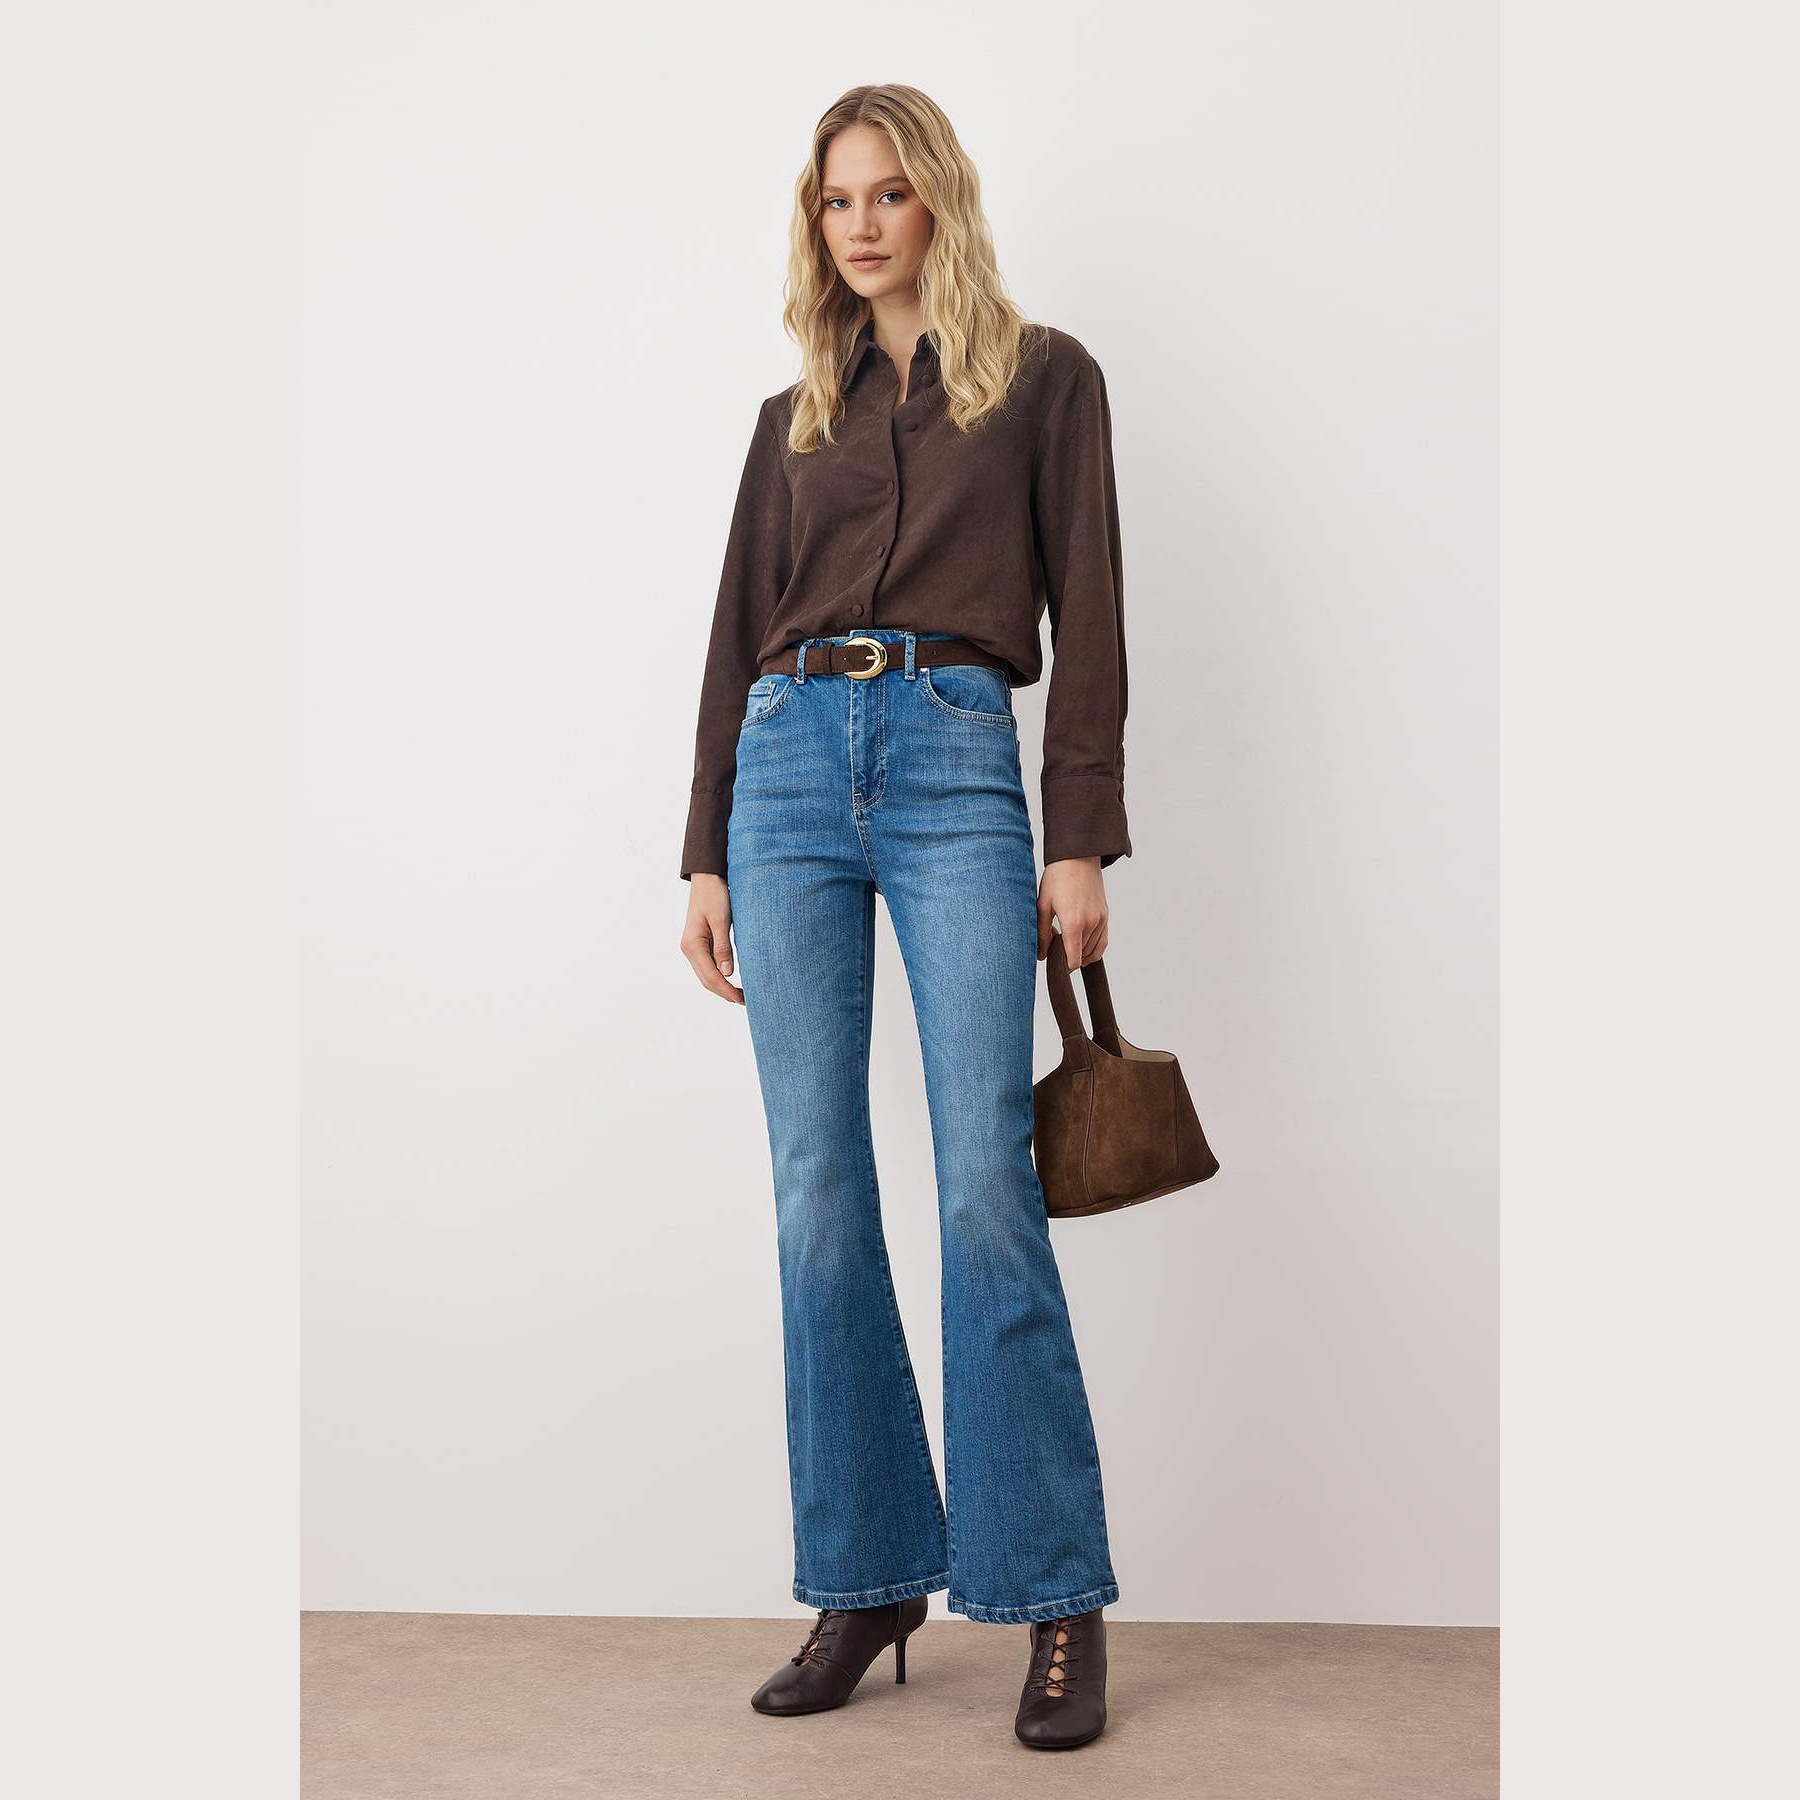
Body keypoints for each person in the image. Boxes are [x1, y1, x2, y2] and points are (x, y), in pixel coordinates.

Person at [677, 83, 1132, 1752]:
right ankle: (867, 1578)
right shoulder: (791, 415)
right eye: (835, 199)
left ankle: (1053, 1589)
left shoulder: (1047, 378)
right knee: (814, 1188)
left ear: (938, 199)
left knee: (985, 1181)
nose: (860, 223)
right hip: (788, 768)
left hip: (952, 759)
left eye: (887, 193)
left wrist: (1078, 840)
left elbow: (1094, 618)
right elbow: (735, 631)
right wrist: (705, 851)